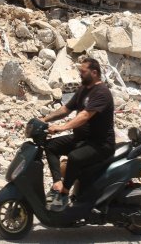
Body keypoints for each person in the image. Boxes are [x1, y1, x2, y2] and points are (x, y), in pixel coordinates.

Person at [38, 57, 115, 211]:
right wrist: (44, 120)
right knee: (51, 146)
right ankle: (57, 183)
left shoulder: (102, 93)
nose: (80, 74)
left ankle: (65, 193)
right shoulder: (83, 89)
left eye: (83, 71)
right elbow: (66, 109)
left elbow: (85, 116)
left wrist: (61, 128)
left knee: (74, 157)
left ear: (94, 72)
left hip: (100, 144)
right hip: (82, 139)